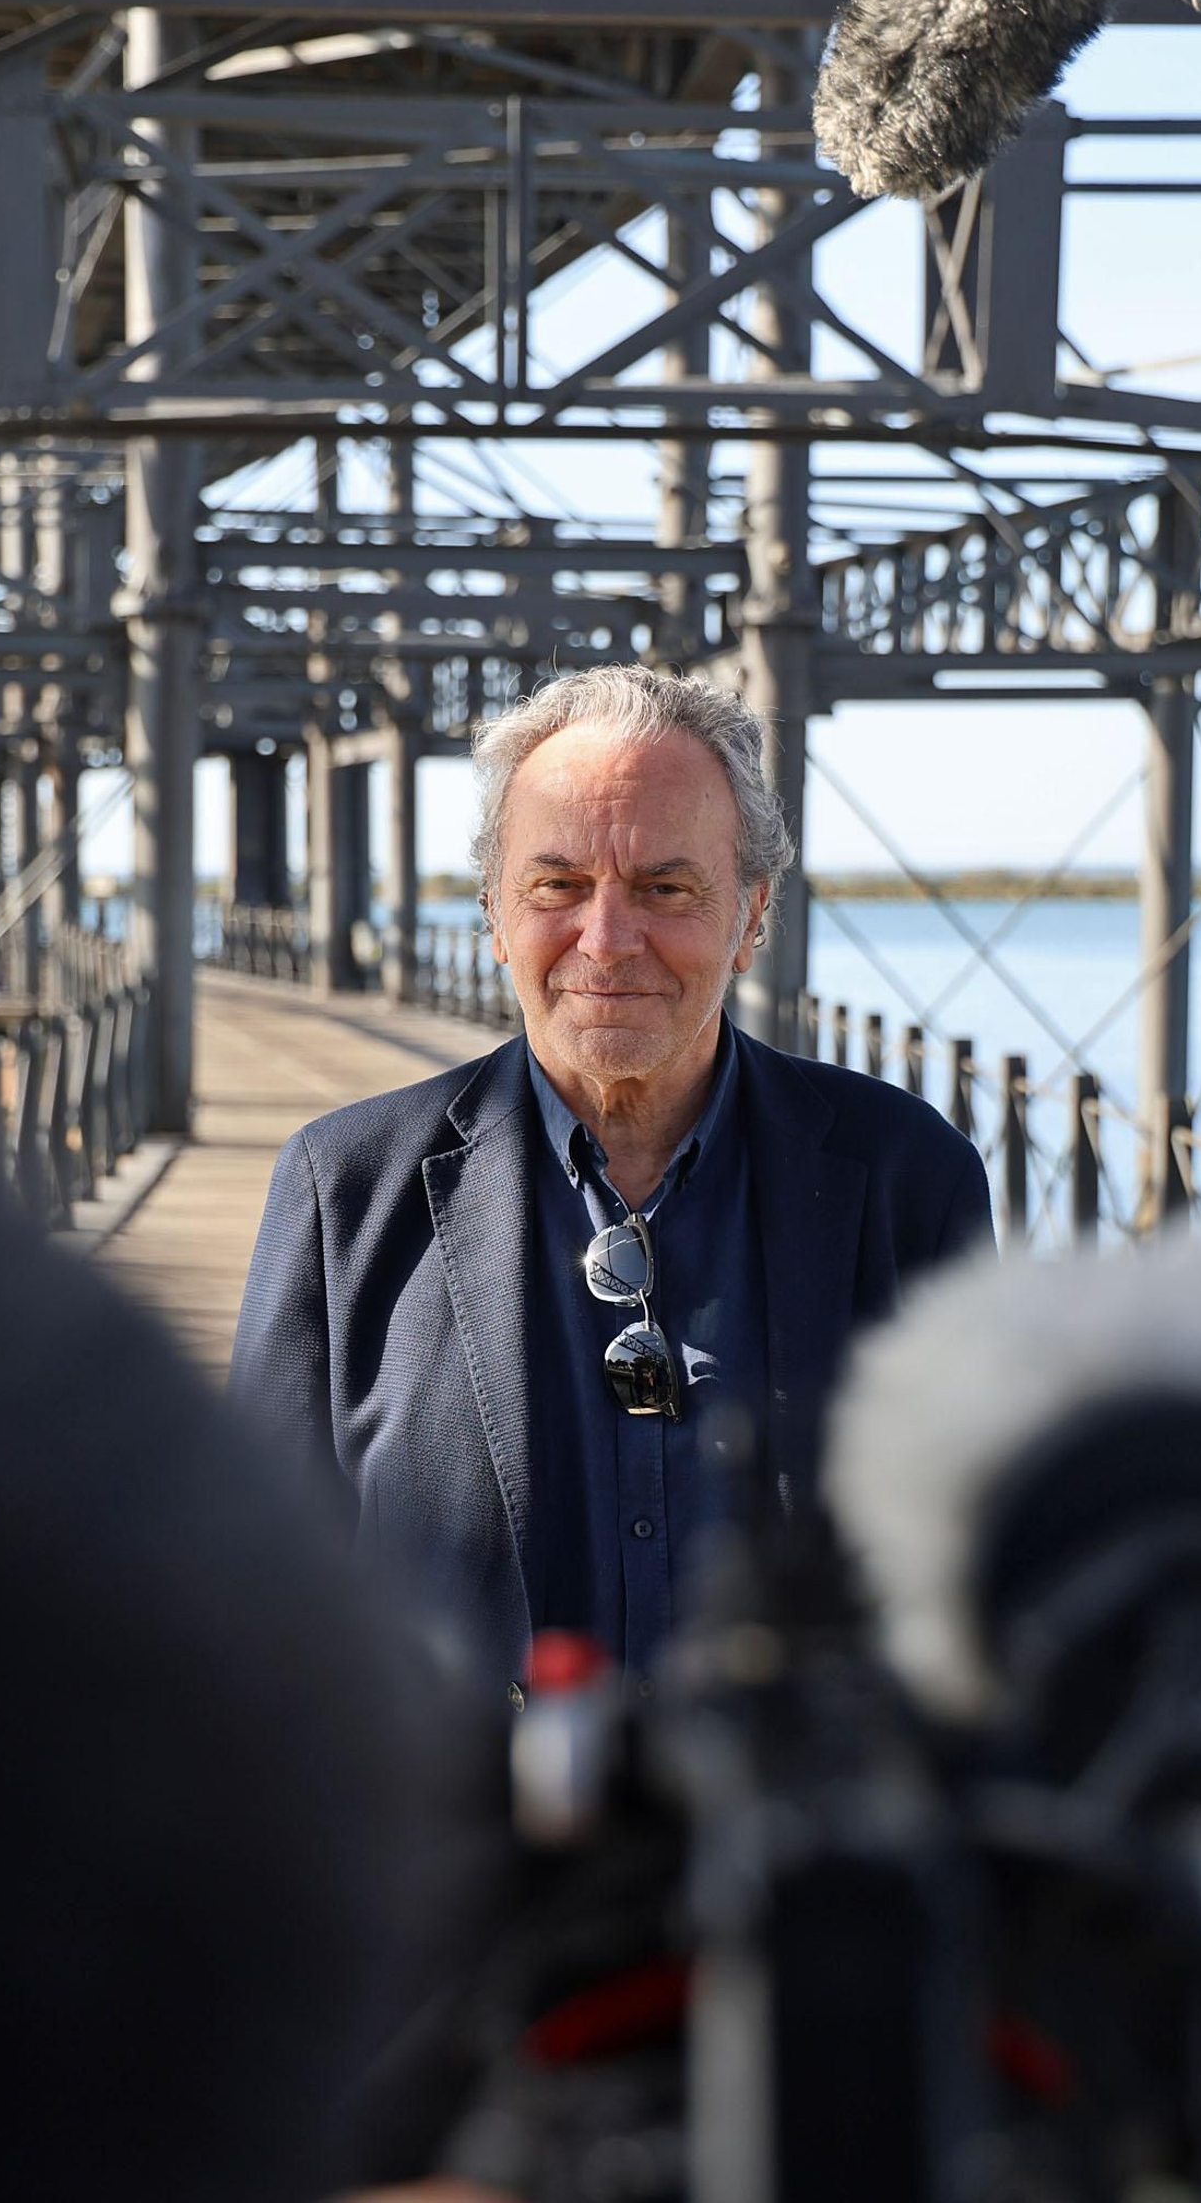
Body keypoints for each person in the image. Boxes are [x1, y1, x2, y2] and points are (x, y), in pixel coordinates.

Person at [232, 665, 993, 1699]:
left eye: (665, 888)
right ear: (495, 914)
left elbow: (977, 1581)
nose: (606, 939)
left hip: (794, 1842)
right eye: (557, 886)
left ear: (752, 914)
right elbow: (256, 1603)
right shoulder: (346, 1189)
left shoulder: (907, 1178)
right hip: (451, 1844)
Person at [0, 1146, 506, 2203]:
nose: (609, 963)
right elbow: (275, 1563)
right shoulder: (348, 1175)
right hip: (400, 1936)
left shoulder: (879, 1162)